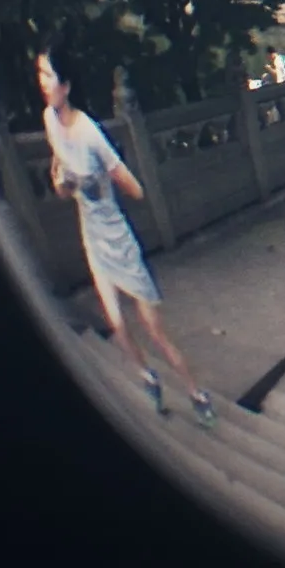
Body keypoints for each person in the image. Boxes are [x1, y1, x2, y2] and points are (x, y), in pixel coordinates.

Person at [36, 48, 215, 425]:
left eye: (48, 75)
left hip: (118, 238)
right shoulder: (49, 120)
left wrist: (99, 179)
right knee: (117, 325)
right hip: (92, 236)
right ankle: (148, 378)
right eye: (40, 74)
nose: (42, 83)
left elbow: (134, 188)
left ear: (66, 85)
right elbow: (61, 184)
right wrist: (64, 184)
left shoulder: (89, 132)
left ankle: (196, 393)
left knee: (153, 329)